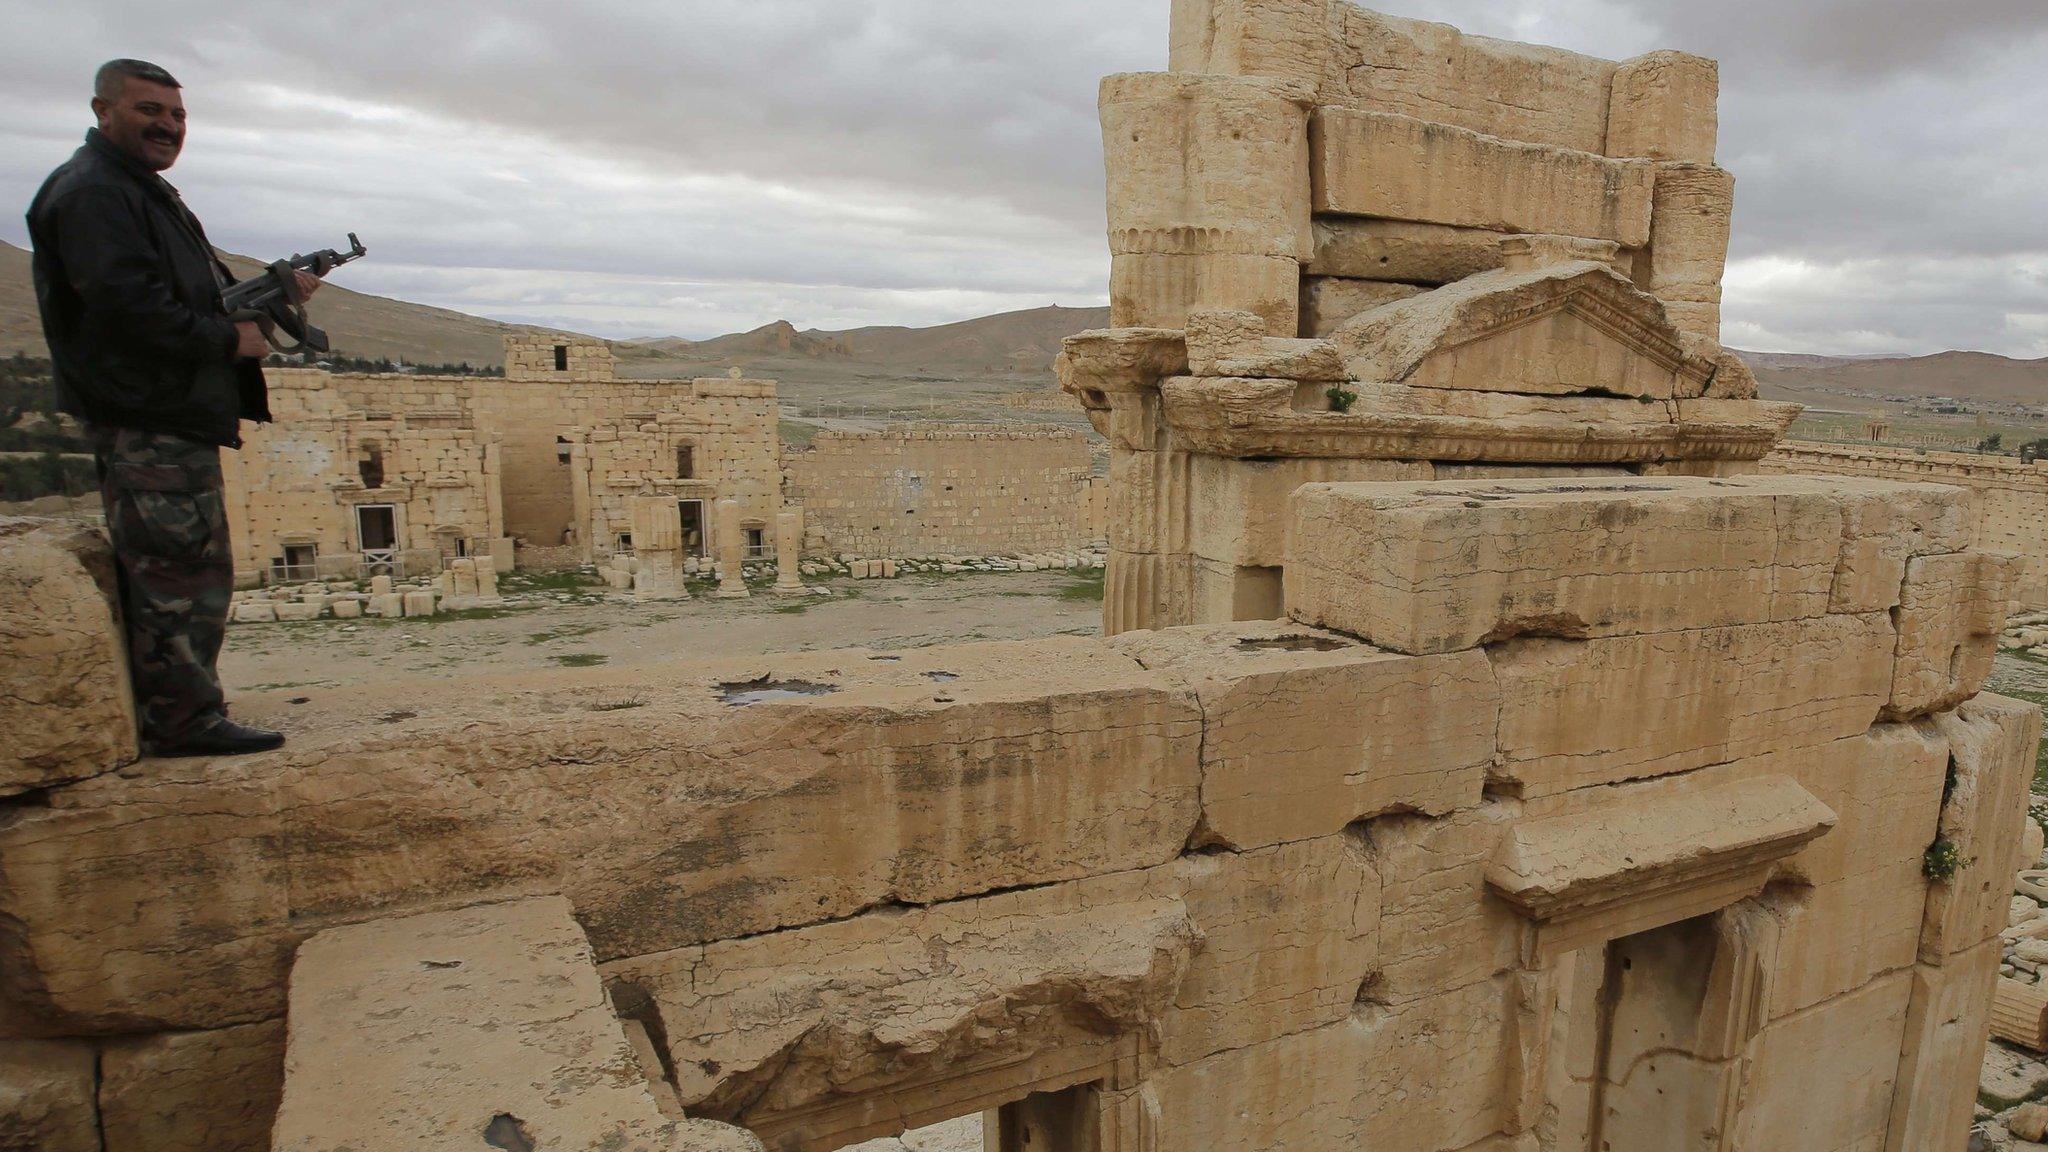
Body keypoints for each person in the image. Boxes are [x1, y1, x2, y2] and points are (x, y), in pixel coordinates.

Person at [26, 59, 324, 757]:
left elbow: (173, 296)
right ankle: (182, 720)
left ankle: (182, 708)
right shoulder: (97, 193)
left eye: (177, 114)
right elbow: (129, 310)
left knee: (188, 564)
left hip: (168, 409)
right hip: (150, 412)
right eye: (149, 110)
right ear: (104, 110)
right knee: (176, 571)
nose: (167, 124)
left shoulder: (132, 190)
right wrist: (231, 338)